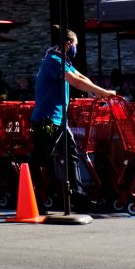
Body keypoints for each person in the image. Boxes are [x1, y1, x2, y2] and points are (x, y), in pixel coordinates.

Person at [29, 29, 115, 212]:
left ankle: (78, 197)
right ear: (68, 45)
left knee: (72, 156)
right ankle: (30, 196)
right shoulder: (54, 61)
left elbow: (81, 77)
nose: (76, 49)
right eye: (75, 45)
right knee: (39, 159)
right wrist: (105, 93)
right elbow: (75, 82)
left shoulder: (62, 60)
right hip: (48, 120)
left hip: (60, 121)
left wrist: (95, 90)